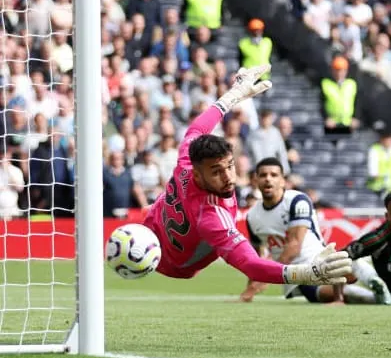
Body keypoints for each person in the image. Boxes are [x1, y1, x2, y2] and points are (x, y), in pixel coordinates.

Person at [115, 65, 352, 288]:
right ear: (198, 174)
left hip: (149, 233)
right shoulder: (212, 217)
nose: (228, 177)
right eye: (216, 172)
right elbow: (251, 265)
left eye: (229, 165)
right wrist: (308, 273)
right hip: (175, 265)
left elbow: (197, 129)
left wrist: (236, 93)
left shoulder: (187, 160)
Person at [238, 157, 389, 304]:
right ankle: (377, 297)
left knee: (342, 261)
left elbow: (294, 246)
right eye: (263, 175)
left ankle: (373, 279)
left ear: (283, 180)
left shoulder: (297, 200)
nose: (268, 179)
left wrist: (266, 276)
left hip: (318, 259)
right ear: (255, 180)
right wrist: (249, 290)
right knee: (324, 295)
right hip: (296, 276)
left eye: (274, 175)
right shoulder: (252, 216)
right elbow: (256, 258)